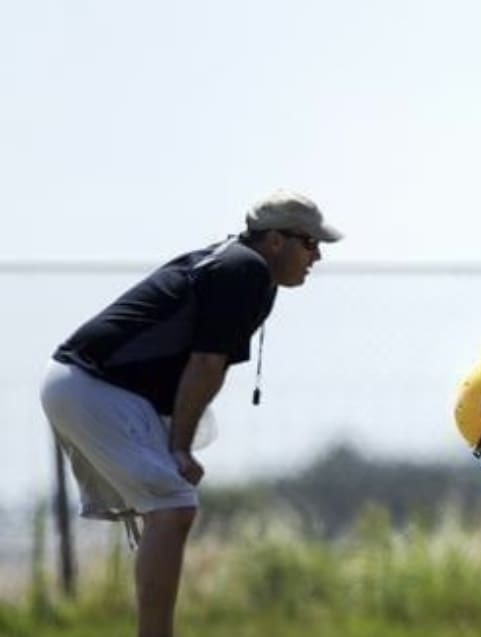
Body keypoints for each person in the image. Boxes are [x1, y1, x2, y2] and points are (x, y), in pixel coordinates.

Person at [39, 191, 341, 637]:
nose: (316, 256)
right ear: (275, 240)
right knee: (173, 505)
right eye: (310, 243)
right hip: (94, 387)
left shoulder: (248, 271)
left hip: (100, 387)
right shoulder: (246, 270)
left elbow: (199, 368)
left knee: (169, 505)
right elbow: (205, 364)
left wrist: (177, 443)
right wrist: (178, 447)